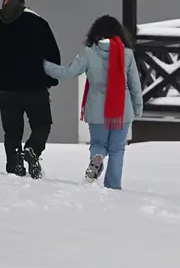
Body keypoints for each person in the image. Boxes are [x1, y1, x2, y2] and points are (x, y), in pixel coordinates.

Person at [43, 15, 143, 190]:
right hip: (122, 111)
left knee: (99, 143)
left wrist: (44, 65)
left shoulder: (89, 53)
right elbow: (135, 84)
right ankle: (113, 186)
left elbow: (67, 72)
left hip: (97, 110)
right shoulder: (127, 54)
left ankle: (97, 158)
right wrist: (138, 108)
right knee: (117, 149)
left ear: (95, 33)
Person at [0, 0, 61, 179]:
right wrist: (49, 80)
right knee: (42, 124)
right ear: (23, 0)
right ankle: (32, 150)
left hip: (5, 91)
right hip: (35, 89)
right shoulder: (38, 23)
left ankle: (15, 168)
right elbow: (52, 56)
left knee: (12, 132)